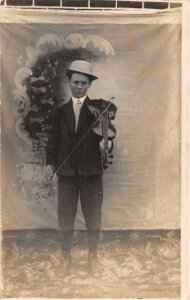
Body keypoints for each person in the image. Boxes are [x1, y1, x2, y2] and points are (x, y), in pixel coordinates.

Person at [45, 60, 116, 276]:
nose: (79, 87)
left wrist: (107, 143)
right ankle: (66, 257)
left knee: (93, 216)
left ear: (89, 85)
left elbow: (110, 134)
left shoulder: (100, 111)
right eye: (75, 82)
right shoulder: (60, 113)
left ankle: (92, 257)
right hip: (66, 173)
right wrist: (49, 163)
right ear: (68, 82)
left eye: (83, 83)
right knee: (65, 217)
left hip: (91, 173)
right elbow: (52, 141)